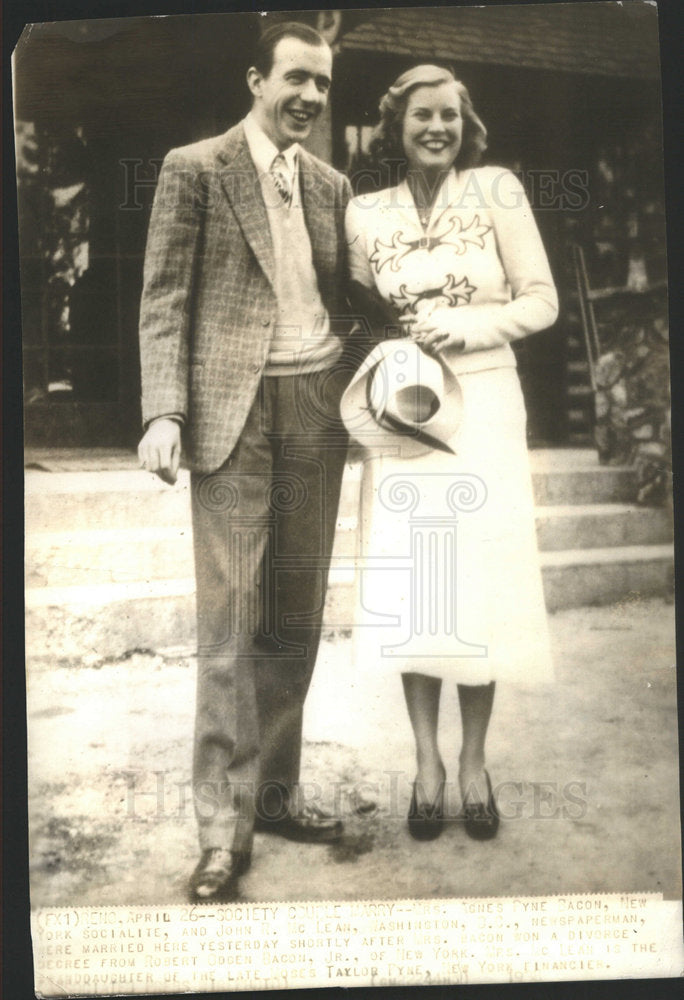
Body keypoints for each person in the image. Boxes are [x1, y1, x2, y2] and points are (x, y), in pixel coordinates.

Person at [137, 21, 352, 901]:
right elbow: (163, 297)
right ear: (257, 79)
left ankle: (275, 793)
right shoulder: (195, 167)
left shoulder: (333, 185)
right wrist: (163, 411)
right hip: (233, 414)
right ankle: (221, 834)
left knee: (294, 617)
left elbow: (352, 297)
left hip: (316, 407)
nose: (309, 96)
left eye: (323, 85)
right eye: (296, 78)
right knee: (229, 628)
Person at [343, 65, 558, 841]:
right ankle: (427, 764)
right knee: (419, 587)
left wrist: (467, 328)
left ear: (467, 127)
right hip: (405, 411)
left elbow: (542, 298)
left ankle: (475, 763)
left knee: (480, 585)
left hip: (487, 406)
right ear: (395, 125)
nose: (437, 128)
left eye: (450, 117)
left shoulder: (497, 189)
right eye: (421, 116)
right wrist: (390, 351)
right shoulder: (364, 212)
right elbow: (357, 312)